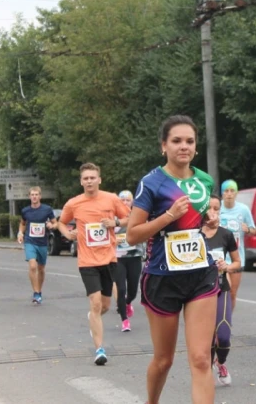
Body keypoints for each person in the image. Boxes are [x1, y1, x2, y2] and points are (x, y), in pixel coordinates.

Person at [126, 115, 218, 404]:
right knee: (164, 360)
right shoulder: (152, 183)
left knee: (202, 359)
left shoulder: (204, 180)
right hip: (162, 278)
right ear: (163, 146)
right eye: (176, 141)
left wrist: (211, 219)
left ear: (196, 147)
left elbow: (198, 222)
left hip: (201, 275)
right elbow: (132, 235)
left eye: (189, 141)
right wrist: (168, 217)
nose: (184, 146)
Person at [57, 163, 130, 365]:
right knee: (96, 302)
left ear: (99, 179)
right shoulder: (74, 203)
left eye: (92, 177)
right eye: (85, 178)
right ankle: (99, 349)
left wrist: (115, 223)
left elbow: (128, 217)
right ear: (81, 181)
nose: (89, 181)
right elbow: (61, 222)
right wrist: (67, 233)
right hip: (87, 261)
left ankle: (93, 317)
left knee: (105, 305)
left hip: (108, 259)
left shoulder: (111, 199)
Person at [203, 195, 241, 387]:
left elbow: (237, 262)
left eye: (217, 208)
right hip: (200, 293)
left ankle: (221, 362)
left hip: (221, 289)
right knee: (207, 338)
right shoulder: (193, 234)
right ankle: (206, 375)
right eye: (209, 208)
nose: (213, 212)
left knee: (223, 336)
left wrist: (226, 266)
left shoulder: (225, 235)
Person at [219, 179, 256, 309]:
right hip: (218, 258)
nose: (229, 194)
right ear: (222, 193)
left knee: (232, 293)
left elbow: (253, 231)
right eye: (226, 191)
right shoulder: (217, 207)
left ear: (236, 193)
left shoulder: (243, 209)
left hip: (236, 258)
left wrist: (248, 230)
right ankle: (215, 322)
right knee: (219, 293)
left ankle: (227, 322)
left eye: (232, 191)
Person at [18, 186, 57, 304]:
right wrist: (20, 233)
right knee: (33, 266)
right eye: (32, 194)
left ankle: (39, 291)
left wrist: (51, 225)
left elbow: (55, 223)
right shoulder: (25, 210)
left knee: (41, 268)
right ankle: (35, 293)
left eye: (36, 194)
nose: (34, 197)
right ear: (29, 196)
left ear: (40, 196)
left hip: (42, 243)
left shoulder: (47, 209)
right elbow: (23, 223)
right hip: (30, 241)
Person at [114, 190, 144, 332]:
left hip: (134, 256)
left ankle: (127, 302)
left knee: (132, 290)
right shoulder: (113, 218)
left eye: (128, 200)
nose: (125, 202)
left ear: (132, 202)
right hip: (117, 257)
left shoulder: (137, 216)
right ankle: (124, 320)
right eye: (122, 200)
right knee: (121, 289)